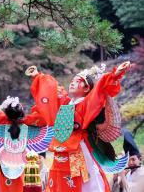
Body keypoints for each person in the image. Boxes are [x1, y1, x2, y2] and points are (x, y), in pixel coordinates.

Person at [25, 61, 131, 192]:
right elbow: (53, 90)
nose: (72, 82)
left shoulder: (86, 104)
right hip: (60, 151)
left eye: (77, 81)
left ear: (86, 88)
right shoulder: (65, 103)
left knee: (85, 183)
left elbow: (100, 90)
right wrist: (37, 76)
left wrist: (115, 75)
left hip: (79, 150)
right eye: (72, 80)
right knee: (58, 181)